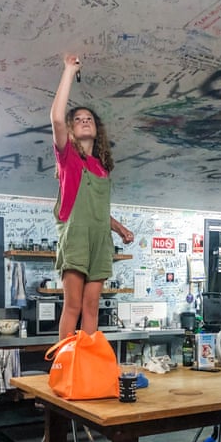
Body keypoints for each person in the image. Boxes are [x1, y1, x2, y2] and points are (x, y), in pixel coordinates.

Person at [51, 54, 134, 339]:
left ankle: (85, 360)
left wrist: (120, 228)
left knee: (92, 305)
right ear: (73, 130)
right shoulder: (68, 158)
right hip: (75, 236)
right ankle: (65, 361)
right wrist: (69, 71)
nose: (84, 121)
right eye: (78, 119)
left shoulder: (102, 168)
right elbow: (56, 118)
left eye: (89, 119)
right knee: (72, 305)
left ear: (96, 129)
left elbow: (98, 208)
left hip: (101, 237)